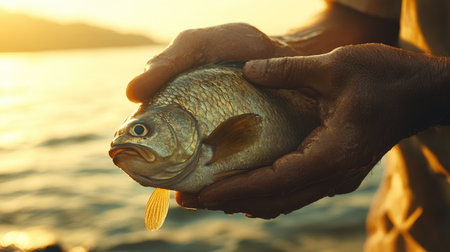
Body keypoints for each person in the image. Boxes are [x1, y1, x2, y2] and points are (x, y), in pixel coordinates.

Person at [126, 0, 450, 250]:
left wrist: (428, 92)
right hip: (415, 223)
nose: (124, 143)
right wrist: (291, 48)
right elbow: (365, 14)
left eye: (143, 130)